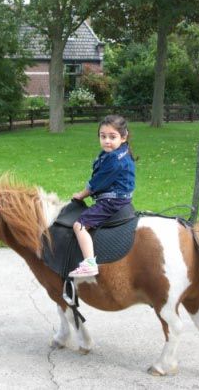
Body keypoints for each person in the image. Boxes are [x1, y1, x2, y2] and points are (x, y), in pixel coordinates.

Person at [69, 114, 136, 278]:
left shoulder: (114, 159)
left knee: (80, 225)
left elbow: (96, 183)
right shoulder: (121, 152)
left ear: (123, 137)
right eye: (103, 136)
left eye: (112, 137)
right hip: (121, 197)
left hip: (111, 201)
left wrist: (81, 195)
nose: (107, 141)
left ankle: (90, 263)